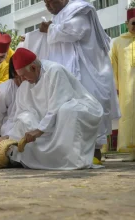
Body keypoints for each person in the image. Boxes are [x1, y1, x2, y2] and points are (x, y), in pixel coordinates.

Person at [37, 0, 120, 162]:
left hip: (89, 72)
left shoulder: (80, 10)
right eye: (45, 3)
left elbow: (75, 31)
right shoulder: (62, 15)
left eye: (50, 1)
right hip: (74, 72)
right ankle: (74, 154)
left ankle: (95, 153)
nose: (47, 6)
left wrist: (50, 29)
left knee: (92, 109)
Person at [6, 48, 103, 170]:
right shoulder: (26, 84)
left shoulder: (55, 71)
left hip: (80, 109)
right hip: (47, 120)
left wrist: (38, 130)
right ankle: (37, 160)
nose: (23, 80)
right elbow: (21, 112)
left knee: (68, 110)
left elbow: (58, 105)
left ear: (34, 68)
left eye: (24, 76)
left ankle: (72, 160)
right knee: (24, 118)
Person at [110, 7, 135, 160]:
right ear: (127, 23)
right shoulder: (118, 42)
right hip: (126, 87)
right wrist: (115, 87)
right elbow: (113, 66)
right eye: (133, 23)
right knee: (127, 115)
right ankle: (128, 150)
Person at [0, 56, 22, 141]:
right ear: (13, 74)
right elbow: (0, 114)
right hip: (11, 126)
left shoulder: (32, 83)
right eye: (18, 77)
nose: (22, 80)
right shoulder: (5, 89)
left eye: (23, 76)